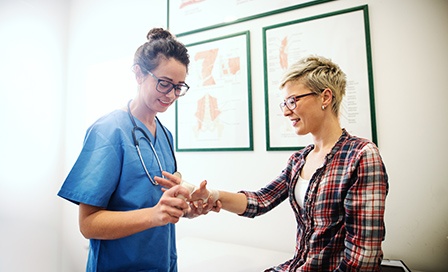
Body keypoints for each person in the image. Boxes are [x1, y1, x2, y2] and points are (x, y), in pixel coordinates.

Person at [156, 55, 389, 271]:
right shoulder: (299, 159)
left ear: (325, 97)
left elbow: (363, 258)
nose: (287, 112)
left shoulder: (360, 155)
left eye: (293, 101)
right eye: (284, 103)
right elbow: (261, 200)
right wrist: (207, 193)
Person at [57, 28, 214, 272]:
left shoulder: (164, 135)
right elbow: (88, 224)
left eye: (178, 87)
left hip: (163, 263)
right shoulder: (108, 131)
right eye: (164, 84)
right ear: (139, 74)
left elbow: (156, 203)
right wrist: (154, 215)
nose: (171, 95)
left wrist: (186, 209)